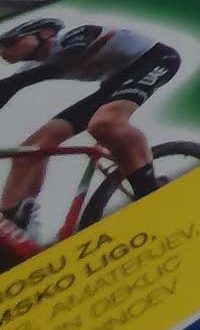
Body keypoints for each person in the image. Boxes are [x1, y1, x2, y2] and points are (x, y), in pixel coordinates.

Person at [0, 15, 180, 247]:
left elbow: (60, 63)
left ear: (43, 33)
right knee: (31, 148)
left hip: (156, 59)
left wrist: (14, 83)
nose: (3, 50)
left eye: (9, 42)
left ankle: (149, 192)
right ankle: (16, 221)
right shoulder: (32, 67)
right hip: (114, 82)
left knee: (105, 123)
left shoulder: (73, 37)